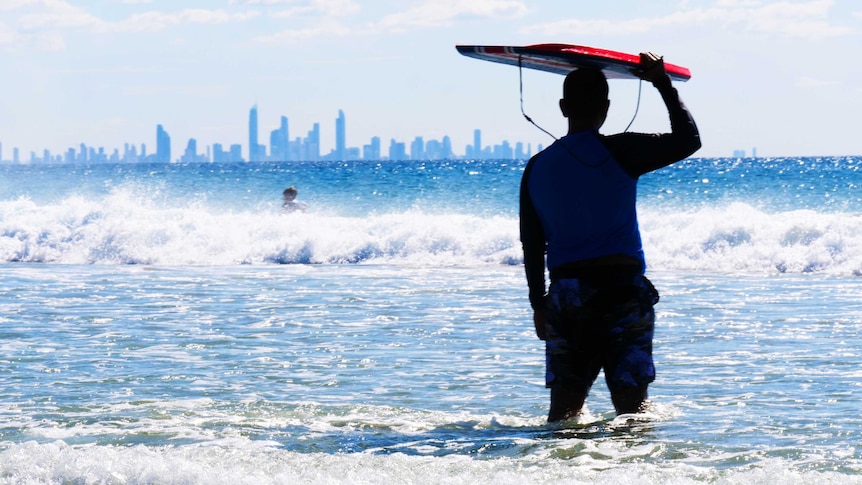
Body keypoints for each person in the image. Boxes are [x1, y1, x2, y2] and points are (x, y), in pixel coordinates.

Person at [519, 52, 701, 422]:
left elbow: (533, 244)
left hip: (567, 298)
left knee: (564, 413)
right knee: (632, 411)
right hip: (621, 293)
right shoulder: (620, 150)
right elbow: (688, 140)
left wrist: (539, 304)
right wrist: (661, 83)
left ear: (563, 107)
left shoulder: (536, 167)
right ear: (606, 107)